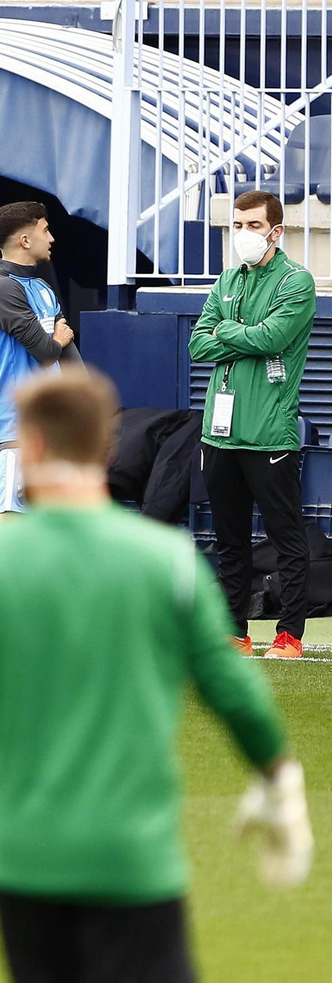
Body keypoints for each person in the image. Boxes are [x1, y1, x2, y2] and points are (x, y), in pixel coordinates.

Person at [0, 366, 311, 983]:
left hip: (24, 861)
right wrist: (278, 783)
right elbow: (236, 696)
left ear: (34, 447)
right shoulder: (168, 563)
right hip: (134, 860)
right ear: (107, 448)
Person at [189, 189, 317, 659]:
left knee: (287, 537)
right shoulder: (225, 280)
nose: (243, 234)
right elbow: (197, 345)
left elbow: (274, 337)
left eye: (253, 225)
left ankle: (289, 636)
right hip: (217, 433)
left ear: (276, 231)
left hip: (269, 433)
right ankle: (234, 632)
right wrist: (240, 335)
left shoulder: (296, 282)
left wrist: (227, 330)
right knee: (229, 540)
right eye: (237, 225)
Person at [0, 201, 79, 524]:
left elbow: (67, 354)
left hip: (56, 428)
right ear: (24, 240)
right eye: (45, 230)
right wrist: (56, 341)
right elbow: (47, 352)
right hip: (19, 427)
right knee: (10, 527)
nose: (51, 239)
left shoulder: (43, 287)